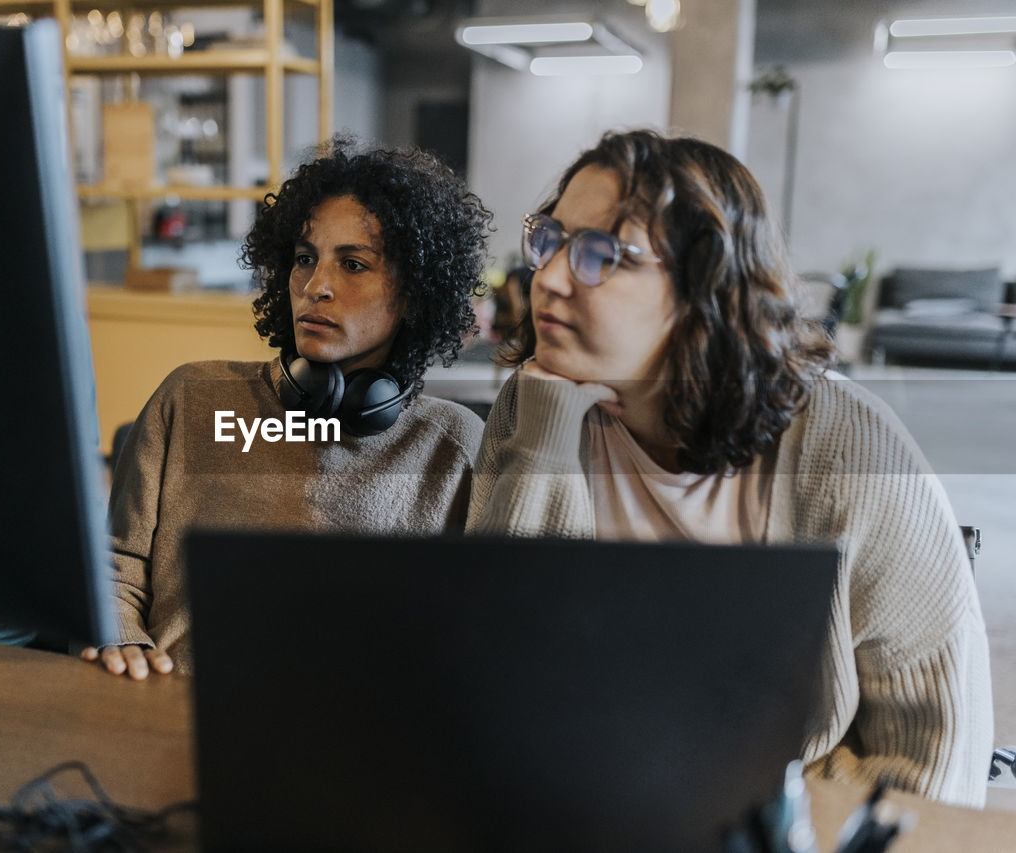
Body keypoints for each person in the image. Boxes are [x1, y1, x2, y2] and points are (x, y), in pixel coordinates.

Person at [467, 129, 992, 806]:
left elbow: (935, 747)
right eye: (551, 240)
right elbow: (497, 686)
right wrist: (542, 439)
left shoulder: (846, 446)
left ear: (702, 287)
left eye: (602, 255)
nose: (550, 276)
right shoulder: (534, 403)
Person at [84, 140, 491, 679]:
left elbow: (481, 629)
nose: (317, 286)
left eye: (353, 264)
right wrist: (122, 641)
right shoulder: (191, 398)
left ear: (415, 291)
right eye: (305, 259)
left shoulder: (453, 444)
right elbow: (114, 569)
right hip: (167, 710)